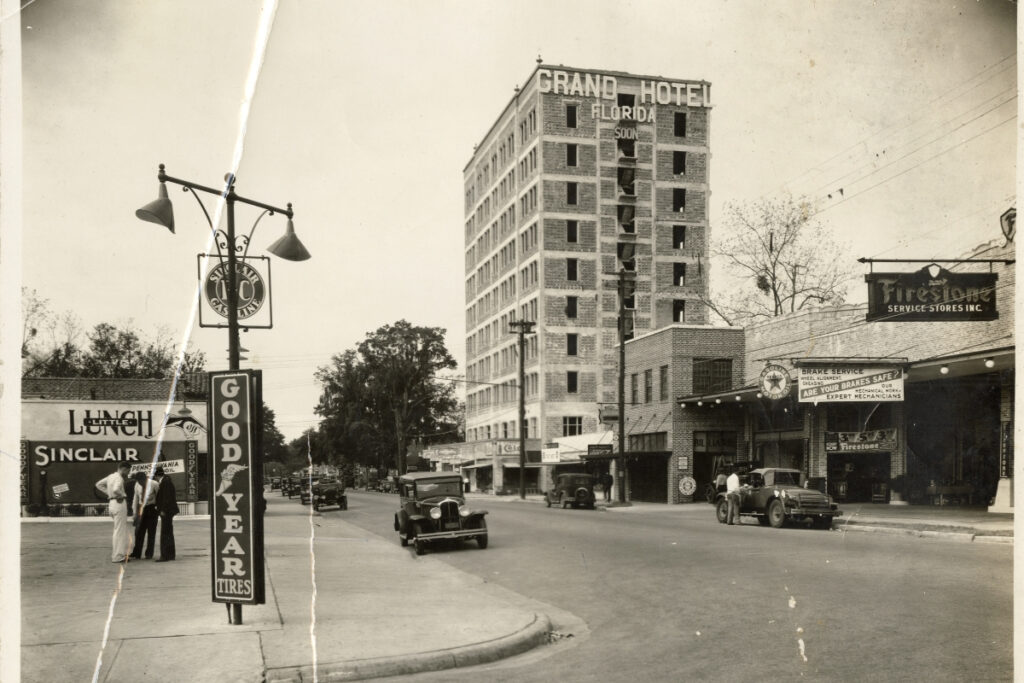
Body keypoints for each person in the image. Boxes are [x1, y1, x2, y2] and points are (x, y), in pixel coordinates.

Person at [95, 463, 134, 563]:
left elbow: (98, 484)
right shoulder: (119, 478)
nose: (128, 473)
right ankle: (118, 556)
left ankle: (117, 554)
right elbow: (116, 489)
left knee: (117, 530)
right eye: (128, 471)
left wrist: (109, 493)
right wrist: (122, 495)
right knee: (120, 531)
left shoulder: (111, 476)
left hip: (112, 503)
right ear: (124, 469)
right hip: (119, 503)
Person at [130, 471, 159, 560]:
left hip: (151, 509)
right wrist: (135, 513)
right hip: (141, 509)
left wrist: (158, 510)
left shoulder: (154, 484)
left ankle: (149, 554)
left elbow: (159, 497)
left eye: (141, 481)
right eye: (138, 481)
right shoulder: (137, 485)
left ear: (145, 479)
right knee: (139, 532)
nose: (140, 483)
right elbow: (135, 498)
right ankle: (137, 553)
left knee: (151, 532)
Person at [154, 467, 178, 562]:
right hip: (169, 511)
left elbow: (166, 498)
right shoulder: (167, 481)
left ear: (157, 476)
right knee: (168, 532)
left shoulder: (165, 482)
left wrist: (163, 509)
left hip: (166, 511)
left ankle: (164, 556)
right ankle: (171, 554)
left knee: (165, 533)